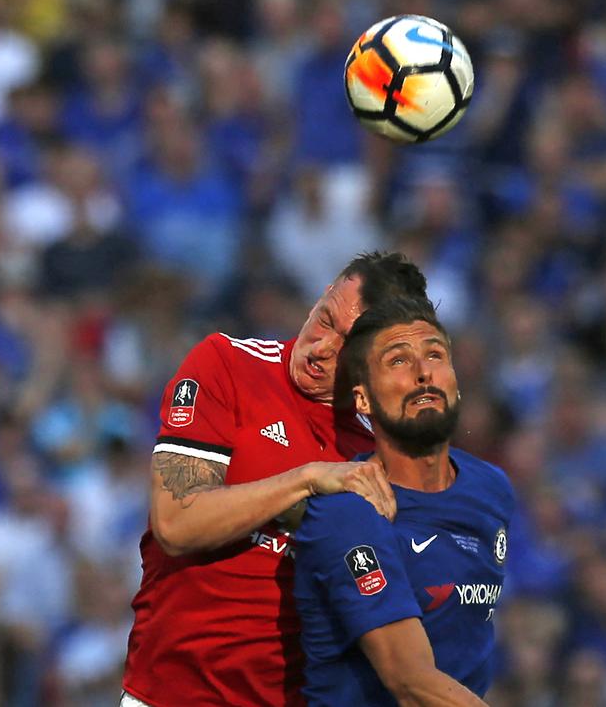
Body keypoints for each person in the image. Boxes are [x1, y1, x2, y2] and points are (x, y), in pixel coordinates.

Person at [122, 252, 430, 707]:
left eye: (349, 346)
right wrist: (307, 480)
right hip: (171, 694)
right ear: (322, 296)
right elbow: (175, 523)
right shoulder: (226, 365)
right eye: (325, 320)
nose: (322, 347)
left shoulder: (387, 450)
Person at [293, 297, 515, 706]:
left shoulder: (491, 488)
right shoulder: (348, 512)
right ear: (363, 400)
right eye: (397, 361)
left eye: (435, 354)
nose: (422, 373)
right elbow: (411, 683)